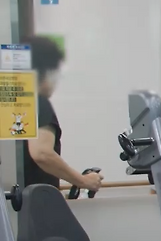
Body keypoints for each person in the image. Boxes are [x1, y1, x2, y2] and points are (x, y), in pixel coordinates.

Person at [21, 36, 104, 193]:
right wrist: (83, 181)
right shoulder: (38, 103)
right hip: (34, 201)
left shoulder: (13, 104)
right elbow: (41, 153)